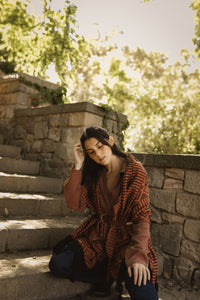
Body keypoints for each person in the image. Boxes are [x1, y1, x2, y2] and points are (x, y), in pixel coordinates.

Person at [49, 126, 158, 300]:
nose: (98, 155)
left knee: (142, 285)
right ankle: (107, 277)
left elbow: (142, 216)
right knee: (58, 264)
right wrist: (78, 165)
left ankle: (117, 274)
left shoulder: (135, 170)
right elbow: (74, 203)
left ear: (111, 141)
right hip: (98, 238)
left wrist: (138, 255)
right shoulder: (93, 172)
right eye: (91, 152)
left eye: (100, 146)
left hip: (126, 240)